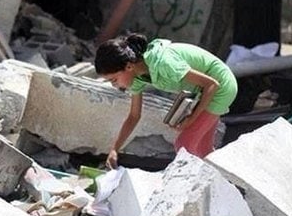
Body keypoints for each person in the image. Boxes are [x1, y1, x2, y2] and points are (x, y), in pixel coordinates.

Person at [94, 33, 238, 166]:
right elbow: (133, 116)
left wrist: (191, 118)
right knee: (203, 149)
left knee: (184, 145)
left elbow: (212, 84)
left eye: (114, 80)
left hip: (220, 88)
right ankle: (227, 184)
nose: (115, 86)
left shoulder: (164, 63)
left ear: (129, 66)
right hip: (205, 92)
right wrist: (114, 150)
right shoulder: (137, 76)